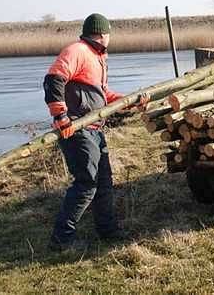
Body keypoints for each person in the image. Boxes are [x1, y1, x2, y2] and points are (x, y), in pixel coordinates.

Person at [43, 13, 147, 251]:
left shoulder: (98, 56)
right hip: (77, 129)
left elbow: (102, 95)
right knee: (86, 183)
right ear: (102, 33)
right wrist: (61, 115)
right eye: (109, 33)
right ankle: (61, 240)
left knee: (103, 182)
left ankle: (108, 231)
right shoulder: (77, 51)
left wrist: (129, 101)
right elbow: (53, 80)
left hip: (94, 128)